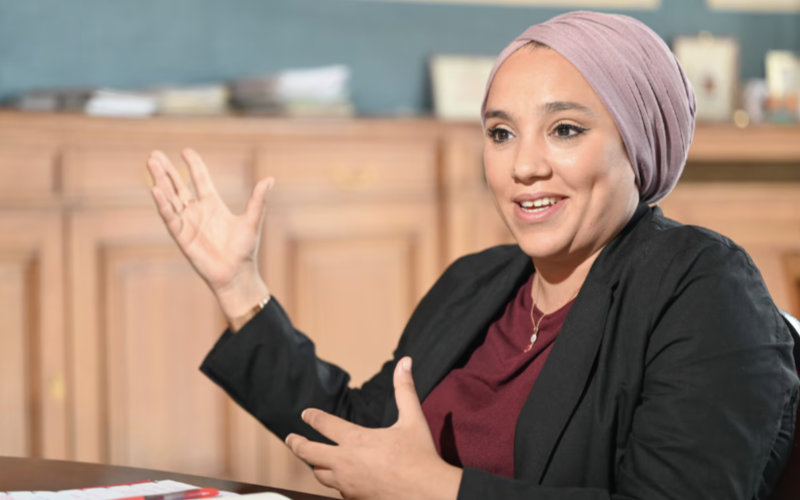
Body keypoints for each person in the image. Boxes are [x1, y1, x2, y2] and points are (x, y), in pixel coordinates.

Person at [146, 11, 799, 500]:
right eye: (500, 132)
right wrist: (238, 287)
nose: (524, 166)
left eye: (565, 129)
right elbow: (367, 439)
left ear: (641, 143)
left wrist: (436, 489)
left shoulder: (704, 286)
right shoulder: (476, 280)